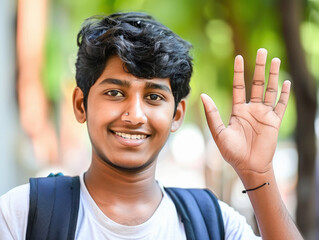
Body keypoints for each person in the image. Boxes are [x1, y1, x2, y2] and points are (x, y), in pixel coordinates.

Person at [0, 12, 303, 239]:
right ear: (81, 104)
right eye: (115, 93)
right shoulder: (22, 214)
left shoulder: (214, 224)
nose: (135, 115)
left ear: (177, 115)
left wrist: (257, 173)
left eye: (154, 96)